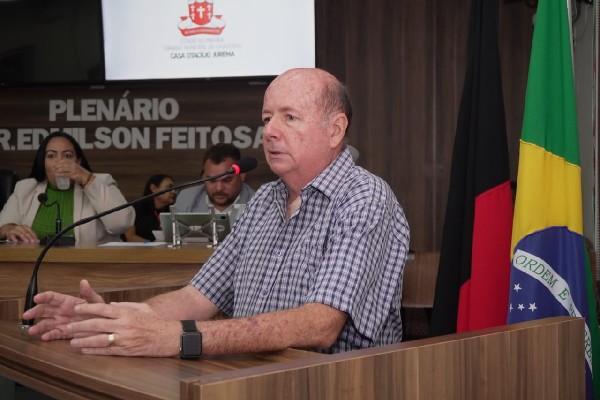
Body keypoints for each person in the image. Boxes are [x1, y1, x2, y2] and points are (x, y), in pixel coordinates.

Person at [22, 68, 410, 358]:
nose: (270, 131)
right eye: (267, 118)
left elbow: (320, 324)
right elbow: (198, 296)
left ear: (335, 130)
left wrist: (179, 338)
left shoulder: (364, 198)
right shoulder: (265, 200)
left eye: (289, 117)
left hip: (330, 383)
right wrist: (108, 316)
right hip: (248, 375)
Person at [0, 131, 134, 246]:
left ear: (78, 161)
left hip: (89, 265)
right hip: (34, 265)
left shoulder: (100, 182)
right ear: (43, 163)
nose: (60, 162)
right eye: (51, 156)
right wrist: (9, 229)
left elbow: (121, 223)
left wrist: (86, 178)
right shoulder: (25, 188)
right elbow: (3, 226)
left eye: (68, 156)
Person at [175, 143, 255, 225]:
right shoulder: (186, 199)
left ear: (242, 175)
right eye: (212, 180)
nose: (219, 188)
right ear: (203, 177)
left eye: (226, 180)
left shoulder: (257, 204)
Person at [122, 174, 177, 242]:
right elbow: (130, 237)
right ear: (153, 188)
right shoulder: (135, 208)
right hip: (139, 248)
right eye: (169, 187)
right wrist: (150, 244)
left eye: (174, 188)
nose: (173, 192)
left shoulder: (171, 210)